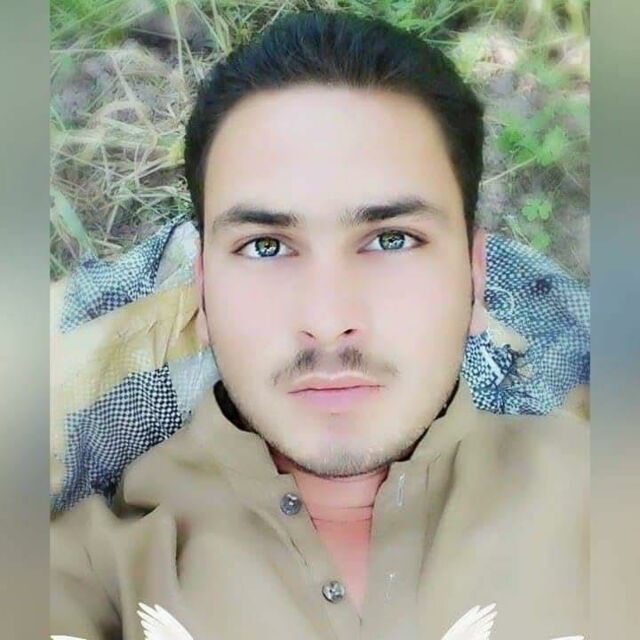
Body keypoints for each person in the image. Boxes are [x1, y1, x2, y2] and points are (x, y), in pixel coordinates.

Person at [50, 10, 588, 640]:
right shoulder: (91, 569)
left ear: (475, 272)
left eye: (391, 239)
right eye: (266, 247)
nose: (329, 324)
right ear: (200, 286)